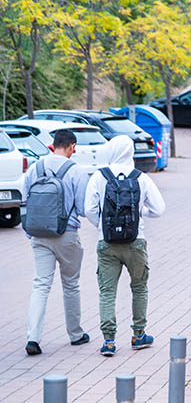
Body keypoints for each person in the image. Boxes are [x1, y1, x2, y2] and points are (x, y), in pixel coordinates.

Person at [85, 135, 165, 357]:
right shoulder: (141, 178)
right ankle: (139, 335)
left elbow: (89, 209)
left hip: (107, 243)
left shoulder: (99, 177)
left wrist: (102, 227)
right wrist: (140, 214)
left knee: (107, 291)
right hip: (135, 242)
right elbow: (159, 209)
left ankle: (109, 341)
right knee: (139, 288)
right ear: (131, 152)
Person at [22, 129, 90, 356]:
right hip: (66, 234)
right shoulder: (76, 171)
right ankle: (76, 334)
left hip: (39, 234)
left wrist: (30, 231)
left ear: (53, 145)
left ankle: (33, 338)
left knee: (40, 285)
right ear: (71, 146)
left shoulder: (35, 167)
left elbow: (26, 199)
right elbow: (82, 208)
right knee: (71, 284)